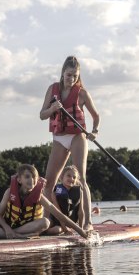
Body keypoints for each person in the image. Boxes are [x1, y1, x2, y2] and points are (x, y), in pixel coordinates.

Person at [39, 56, 100, 233]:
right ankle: (46, 222)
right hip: (59, 138)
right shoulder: (53, 89)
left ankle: (88, 222)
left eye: (75, 76)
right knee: (48, 182)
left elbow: (96, 116)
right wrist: (52, 109)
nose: (71, 79)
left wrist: (94, 131)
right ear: (63, 73)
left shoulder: (82, 93)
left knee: (81, 178)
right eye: (68, 75)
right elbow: (42, 115)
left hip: (77, 136)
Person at [0, 164, 88, 239]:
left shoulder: (39, 197)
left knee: (45, 222)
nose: (31, 180)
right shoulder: (9, 192)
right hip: (8, 225)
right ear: (19, 179)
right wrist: (7, 229)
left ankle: (13, 234)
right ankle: (16, 235)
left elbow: (59, 215)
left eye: (34, 177)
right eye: (27, 177)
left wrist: (80, 230)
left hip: (28, 226)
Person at [45, 165, 84, 235]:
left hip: (69, 222)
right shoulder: (55, 191)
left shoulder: (79, 191)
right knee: (45, 224)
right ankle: (39, 232)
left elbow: (80, 212)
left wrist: (81, 229)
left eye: (74, 177)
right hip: (56, 219)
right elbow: (58, 212)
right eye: (68, 176)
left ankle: (45, 232)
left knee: (57, 230)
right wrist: (65, 229)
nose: (71, 178)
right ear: (62, 177)